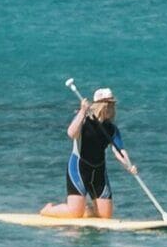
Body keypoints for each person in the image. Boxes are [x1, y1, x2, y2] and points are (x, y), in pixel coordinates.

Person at [44, 87, 138, 220]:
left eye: (113, 105)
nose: (112, 108)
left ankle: (87, 210)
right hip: (78, 169)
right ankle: (49, 210)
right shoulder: (83, 121)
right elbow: (71, 133)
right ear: (100, 105)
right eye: (109, 104)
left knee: (106, 216)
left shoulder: (111, 128)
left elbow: (119, 151)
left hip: (98, 172)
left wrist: (129, 166)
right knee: (74, 214)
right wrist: (82, 111)